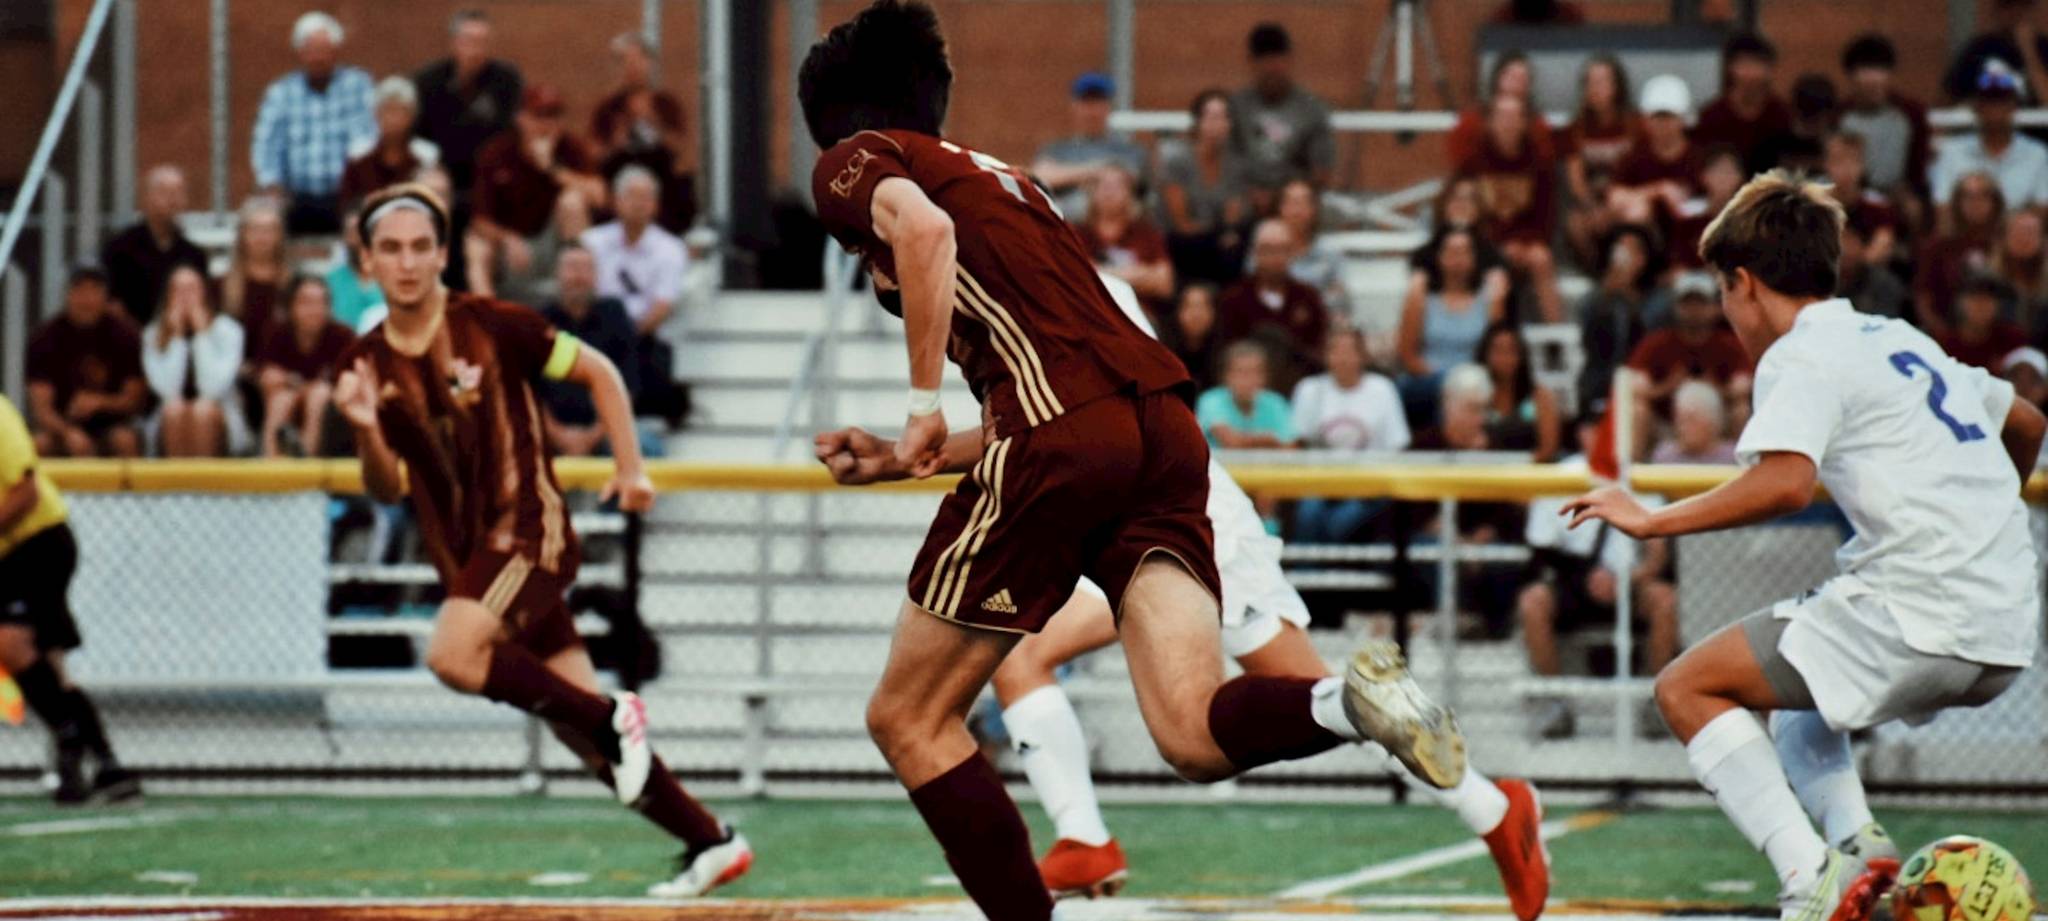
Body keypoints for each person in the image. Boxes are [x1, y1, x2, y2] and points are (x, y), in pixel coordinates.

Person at [799, 7, 1469, 920]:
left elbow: (922, 237)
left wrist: (920, 405)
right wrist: (897, 459)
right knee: (1192, 731)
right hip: (1158, 432)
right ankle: (1347, 704)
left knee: (908, 716)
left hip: (1063, 436)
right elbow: (1071, 392)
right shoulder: (1016, 184)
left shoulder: (858, 157)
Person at [1562, 169, 2045, 921]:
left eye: (1723, 291)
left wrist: (1652, 521)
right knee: (1797, 696)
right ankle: (1861, 849)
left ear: (1745, 283)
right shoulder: (1897, 336)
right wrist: (1977, 521)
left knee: (1685, 687)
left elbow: (1785, 484)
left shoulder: (1799, 353)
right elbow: (2028, 423)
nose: (1727, 312)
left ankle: (1811, 879)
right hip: (2007, 625)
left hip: (1921, 608)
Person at [991, 272, 1549, 914]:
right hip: (1161, 511)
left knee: (1041, 663)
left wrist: (931, 438)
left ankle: (1085, 837)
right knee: (1329, 703)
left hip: (1163, 516)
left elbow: (1066, 426)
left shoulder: (1047, 283)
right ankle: (1492, 809)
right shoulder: (1050, 280)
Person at [332, 184, 748, 896]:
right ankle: (711, 840)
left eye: (420, 247)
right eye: (391, 249)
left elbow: (601, 372)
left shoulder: (494, 325)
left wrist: (631, 468)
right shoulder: (366, 366)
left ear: (442, 255)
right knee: (583, 739)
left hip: (528, 531)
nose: (406, 262)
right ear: (366, 261)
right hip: (471, 561)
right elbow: (381, 488)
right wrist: (366, 431)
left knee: (452, 655)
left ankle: (611, 714)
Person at [0, 394, 140, 805]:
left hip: (36, 543)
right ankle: (104, 764)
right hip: (12, 552)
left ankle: (72, 739)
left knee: (11, 642)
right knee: (51, 663)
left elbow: (25, 493)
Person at [1519, 409, 1678, 741]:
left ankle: (1657, 703)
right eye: (1596, 429)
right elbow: (1541, 554)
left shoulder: (1640, 479)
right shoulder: (1561, 477)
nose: (1605, 437)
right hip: (1574, 583)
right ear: (1582, 433)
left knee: (1665, 600)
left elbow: (1659, 556)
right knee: (1532, 602)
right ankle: (1555, 702)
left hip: (1630, 583)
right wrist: (1585, 579)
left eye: (1612, 429)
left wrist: (1629, 578)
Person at [466, 84, 606, 299]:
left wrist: (552, 169)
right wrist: (507, 238)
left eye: (554, 116)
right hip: (512, 250)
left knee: (572, 202)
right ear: (521, 119)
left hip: (555, 247)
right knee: (476, 245)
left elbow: (599, 196)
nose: (547, 124)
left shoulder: (570, 147)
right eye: (539, 116)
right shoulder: (497, 153)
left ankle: (578, 293)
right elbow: (479, 220)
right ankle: (486, 310)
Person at [250, 11, 375, 234]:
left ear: (336, 51)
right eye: (311, 51)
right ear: (300, 53)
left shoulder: (359, 87)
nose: (318, 58)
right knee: (266, 220)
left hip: (346, 196)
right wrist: (271, 185)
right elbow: (265, 146)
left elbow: (368, 140)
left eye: (324, 50)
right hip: (295, 198)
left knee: (366, 217)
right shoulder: (281, 93)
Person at [1292, 326, 1410, 542]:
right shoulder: (1309, 390)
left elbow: (1397, 446)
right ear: (1325, 355)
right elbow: (1298, 443)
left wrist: (1374, 485)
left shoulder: (1382, 389)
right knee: (1308, 516)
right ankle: (1303, 565)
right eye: (1335, 350)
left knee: (1340, 524)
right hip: (1319, 484)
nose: (1342, 358)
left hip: (1368, 487)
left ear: (1363, 356)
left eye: (1349, 351)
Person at [1457, 93, 1561, 321]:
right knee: (1494, 266)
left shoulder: (1540, 163)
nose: (1508, 123)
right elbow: (1465, 213)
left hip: (1527, 243)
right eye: (1502, 116)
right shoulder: (1473, 162)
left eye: (1514, 117)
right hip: (1486, 243)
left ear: (1524, 123)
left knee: (1542, 258)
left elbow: (1546, 217)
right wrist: (1499, 244)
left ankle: (1556, 334)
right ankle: (1492, 332)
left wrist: (1522, 243)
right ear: (1490, 122)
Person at [25, 268, 146, 458]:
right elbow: (42, 410)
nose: (87, 299)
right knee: (39, 444)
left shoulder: (126, 335)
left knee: (125, 440)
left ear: (105, 296)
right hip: (61, 426)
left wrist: (99, 402)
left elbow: (134, 400)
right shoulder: (44, 339)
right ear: (67, 295)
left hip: (113, 426)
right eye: (79, 290)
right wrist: (69, 433)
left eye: (94, 290)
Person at [540, 245, 641, 457]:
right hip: (549, 432)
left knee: (647, 446)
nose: (579, 276)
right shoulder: (539, 321)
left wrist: (592, 437)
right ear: (556, 274)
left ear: (597, 275)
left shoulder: (615, 315)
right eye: (572, 267)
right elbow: (528, 392)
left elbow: (628, 386)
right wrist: (559, 435)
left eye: (586, 268)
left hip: (607, 429)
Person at [591, 32, 697, 233]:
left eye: (638, 60)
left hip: (661, 180)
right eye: (624, 61)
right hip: (620, 179)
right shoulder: (608, 108)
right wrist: (616, 142)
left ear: (649, 64)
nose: (632, 68)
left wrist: (653, 123)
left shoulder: (665, 104)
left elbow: (683, 152)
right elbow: (594, 155)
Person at [412, 9, 523, 196]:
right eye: (469, 41)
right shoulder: (428, 81)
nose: (475, 50)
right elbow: (418, 135)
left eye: (482, 42)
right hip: (441, 168)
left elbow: (510, 130)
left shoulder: (506, 80)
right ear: (454, 43)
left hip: (490, 170)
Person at [142, 265, 247, 457]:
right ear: (168, 295)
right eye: (178, 289)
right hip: (170, 419)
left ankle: (205, 476)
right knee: (174, 409)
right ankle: (176, 476)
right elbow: (168, 391)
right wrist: (177, 336)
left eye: (191, 289)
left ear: (204, 293)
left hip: (220, 417)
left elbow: (211, 389)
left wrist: (201, 335)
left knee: (202, 410)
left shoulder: (230, 330)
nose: (185, 297)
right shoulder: (152, 333)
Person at [1626, 272, 1754, 429]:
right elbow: (1636, 387)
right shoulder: (1656, 343)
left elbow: (1742, 389)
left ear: (1715, 308)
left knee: (1741, 409)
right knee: (1639, 409)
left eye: (1701, 303)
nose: (1694, 311)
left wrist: (1715, 387)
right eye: (1687, 304)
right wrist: (1667, 386)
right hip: (1668, 423)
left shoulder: (1730, 344)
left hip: (1716, 422)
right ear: (1675, 307)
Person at [1231, 22, 1335, 208]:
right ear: (1251, 63)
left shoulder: (1311, 108)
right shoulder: (1236, 107)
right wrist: (1248, 193)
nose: (1271, 68)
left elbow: (1322, 171)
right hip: (1243, 201)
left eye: (1277, 59)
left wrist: (1280, 197)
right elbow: (1223, 163)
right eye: (1264, 60)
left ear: (1289, 60)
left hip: (1294, 204)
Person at [1217, 219, 1328, 394]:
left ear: (1292, 253)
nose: (1275, 257)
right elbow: (1226, 354)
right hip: (1247, 393)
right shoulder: (1233, 299)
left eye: (1282, 250)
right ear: (1255, 253)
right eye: (1267, 250)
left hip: (1301, 391)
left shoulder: (1308, 297)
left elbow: (1320, 349)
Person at [1399, 226, 1507, 403]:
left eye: (1465, 252)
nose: (1458, 260)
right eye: (1452, 252)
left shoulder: (1489, 297)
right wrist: (1446, 381)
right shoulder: (1421, 297)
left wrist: (1467, 382)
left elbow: (1497, 348)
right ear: (1439, 256)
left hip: (1476, 381)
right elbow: (1407, 354)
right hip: (1431, 381)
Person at [1156, 89, 1252, 287]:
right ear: (1198, 121)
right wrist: (1218, 233)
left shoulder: (1235, 164)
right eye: (1212, 117)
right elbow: (1181, 222)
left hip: (1218, 242)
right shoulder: (1178, 160)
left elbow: (1232, 217)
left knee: (1238, 245)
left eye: (1224, 118)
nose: (1218, 125)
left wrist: (1227, 230)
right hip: (1181, 242)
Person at [580, 165, 688, 337]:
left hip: (646, 338)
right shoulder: (591, 242)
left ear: (656, 205)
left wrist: (627, 339)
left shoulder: (671, 248)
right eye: (631, 196)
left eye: (645, 198)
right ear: (616, 201)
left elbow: (663, 305)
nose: (638, 204)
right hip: (595, 333)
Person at [1930, 63, 2048, 214]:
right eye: (1989, 101)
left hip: (2018, 228)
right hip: (1965, 228)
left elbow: (2043, 208)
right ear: (1976, 107)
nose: (1995, 109)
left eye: (2002, 101)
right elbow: (1942, 206)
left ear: (2014, 106)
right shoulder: (1952, 151)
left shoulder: (2037, 154)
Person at [1032, 72, 1150, 223]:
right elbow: (1040, 177)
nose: (1092, 111)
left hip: (1115, 230)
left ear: (1109, 107)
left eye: (1098, 102)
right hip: (1066, 227)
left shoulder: (1130, 151)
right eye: (1086, 103)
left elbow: (1139, 185)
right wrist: (1096, 171)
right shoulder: (1056, 149)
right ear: (1074, 106)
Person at [258, 275, 354, 458]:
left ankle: (308, 462)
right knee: (281, 400)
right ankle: (271, 463)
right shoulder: (276, 333)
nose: (315, 310)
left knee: (319, 395)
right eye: (307, 302)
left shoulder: (343, 336)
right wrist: (301, 388)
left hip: (329, 414)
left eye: (321, 302)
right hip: (285, 400)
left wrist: (294, 382)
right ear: (290, 306)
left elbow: (346, 384)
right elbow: (268, 378)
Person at [1577, 223, 1670, 408]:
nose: (1626, 257)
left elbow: (1650, 332)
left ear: (1645, 257)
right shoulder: (1597, 296)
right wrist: (1608, 292)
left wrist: (1628, 293)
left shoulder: (1660, 297)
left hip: (1644, 379)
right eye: (1621, 248)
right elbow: (1587, 332)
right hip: (1600, 380)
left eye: (1634, 250)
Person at [99, 165, 207, 325]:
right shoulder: (119, 249)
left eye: (178, 192)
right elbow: (109, 304)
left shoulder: (194, 256)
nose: (173, 200)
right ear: (145, 198)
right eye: (164, 192)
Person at [1562, 54, 1640, 269]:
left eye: (1601, 81)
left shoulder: (1634, 125)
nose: (1594, 88)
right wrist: (1593, 208)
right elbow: (1576, 182)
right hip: (1592, 204)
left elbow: (1641, 173)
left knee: (1632, 215)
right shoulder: (1576, 129)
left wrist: (1613, 208)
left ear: (1617, 86)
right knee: (1575, 224)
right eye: (1589, 82)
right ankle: (1597, 274)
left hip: (1626, 199)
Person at [1838, 34, 1933, 206]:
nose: (1873, 79)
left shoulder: (1911, 113)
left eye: (1880, 69)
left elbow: (1919, 167)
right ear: (1851, 77)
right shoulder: (1839, 114)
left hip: (1897, 197)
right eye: (1865, 70)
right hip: (1851, 196)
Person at [1077, 165, 1174, 317]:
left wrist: (1099, 272)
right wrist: (1139, 273)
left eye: (1117, 186)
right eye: (1104, 185)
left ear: (1130, 194)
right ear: (1091, 192)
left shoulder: (1147, 233)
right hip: (1091, 315)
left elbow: (1165, 284)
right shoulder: (1077, 234)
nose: (1109, 192)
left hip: (1139, 316)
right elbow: (1076, 279)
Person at [1915, 172, 2004, 334]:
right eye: (1968, 197)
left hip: (2000, 337)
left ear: (1995, 203)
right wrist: (1942, 334)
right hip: (1946, 334)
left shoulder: (2007, 242)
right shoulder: (1938, 246)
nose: (1975, 203)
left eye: (1983, 196)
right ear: (1957, 202)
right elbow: (1923, 297)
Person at [1693, 32, 1793, 177]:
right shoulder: (1712, 117)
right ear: (1730, 69)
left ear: (1769, 70)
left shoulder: (1781, 115)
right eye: (1744, 65)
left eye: (1758, 65)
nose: (1751, 73)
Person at [1609, 75, 1702, 229]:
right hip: (1646, 235)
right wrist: (1659, 191)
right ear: (1646, 120)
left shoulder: (1699, 157)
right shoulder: (1635, 155)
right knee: (1636, 211)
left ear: (1683, 119)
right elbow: (1615, 198)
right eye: (1657, 117)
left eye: (1669, 117)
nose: (1663, 124)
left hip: (1693, 234)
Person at [341, 76, 440, 206]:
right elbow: (347, 204)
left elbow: (433, 200)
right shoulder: (358, 155)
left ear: (413, 116)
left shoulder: (427, 156)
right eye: (388, 110)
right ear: (376, 114)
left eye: (401, 111)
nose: (393, 119)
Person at [1447, 52, 1556, 168]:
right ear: (1498, 77)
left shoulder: (1538, 126)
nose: (1517, 81)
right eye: (1512, 76)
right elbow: (1460, 160)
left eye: (1523, 78)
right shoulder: (1472, 121)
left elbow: (1546, 160)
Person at [220, 197, 291, 370]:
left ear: (279, 235)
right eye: (255, 229)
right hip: (235, 372)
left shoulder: (293, 286)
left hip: (281, 374)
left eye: (269, 230)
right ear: (242, 235)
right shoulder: (221, 285)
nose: (262, 237)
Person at [1476, 321, 1561, 461]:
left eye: (1511, 350)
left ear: (1521, 354)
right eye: (1498, 350)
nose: (1505, 357)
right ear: (1485, 354)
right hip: (1484, 469)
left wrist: (1518, 468)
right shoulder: (1474, 396)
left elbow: (1548, 448)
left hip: (1529, 471)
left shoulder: (1539, 397)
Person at [1944, 0, 2048, 107]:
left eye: (2023, 7)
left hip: (2035, 117)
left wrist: (2028, 48)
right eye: (2009, 7)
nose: (2017, 13)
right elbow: (1948, 99)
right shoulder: (1979, 50)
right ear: (1997, 12)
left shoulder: (2044, 49)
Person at [1196, 341, 1296, 449]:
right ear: (1226, 376)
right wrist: (1268, 440)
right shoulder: (1210, 400)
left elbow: (1291, 445)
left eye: (1255, 372)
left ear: (1265, 376)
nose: (1248, 379)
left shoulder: (1275, 402)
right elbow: (1231, 442)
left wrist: (1253, 440)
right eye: (1241, 372)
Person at [1822, 134, 1901, 269]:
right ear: (1827, 164)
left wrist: (1851, 262)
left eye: (1853, 161)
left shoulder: (1879, 206)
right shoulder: (1812, 204)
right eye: (1839, 161)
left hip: (1862, 274)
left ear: (1863, 165)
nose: (1846, 169)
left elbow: (1879, 250)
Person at [1667, 145, 1747, 273]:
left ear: (1740, 176)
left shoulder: (1749, 215)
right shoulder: (1688, 214)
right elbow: (1678, 257)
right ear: (1703, 176)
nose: (1723, 178)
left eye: (1729, 171)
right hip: (1695, 277)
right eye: (1717, 171)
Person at [1274, 179, 1347, 315]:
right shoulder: (1266, 248)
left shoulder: (1330, 253)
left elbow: (1339, 299)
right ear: (1281, 208)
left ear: (1314, 209)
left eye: (1302, 203)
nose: (1296, 211)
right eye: (1291, 203)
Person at [1938, 275, 2030, 370]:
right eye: (1975, 300)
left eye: (1987, 300)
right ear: (1960, 304)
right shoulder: (1945, 345)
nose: (1981, 307)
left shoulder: (2012, 339)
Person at [1837, 216, 1910, 321]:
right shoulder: (1822, 282)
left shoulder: (1885, 284)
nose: (1844, 249)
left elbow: (1883, 323)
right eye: (1839, 240)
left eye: (1850, 241)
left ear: (1864, 246)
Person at [327, 203, 386, 331]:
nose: (357, 239)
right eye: (351, 232)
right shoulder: (330, 282)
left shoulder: (393, 276)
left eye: (362, 232)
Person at [1992, 208, 2048, 339]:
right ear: (2004, 238)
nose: (2024, 239)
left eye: (2030, 233)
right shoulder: (1986, 279)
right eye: (2017, 232)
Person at [1652, 380, 1739, 464]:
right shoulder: (1665, 457)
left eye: (1690, 420)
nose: (1682, 427)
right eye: (1680, 420)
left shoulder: (1731, 459)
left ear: (1712, 422)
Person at [1160, 283, 1222, 392]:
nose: (1196, 314)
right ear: (1177, 312)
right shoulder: (1161, 350)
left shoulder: (1224, 354)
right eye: (1189, 306)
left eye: (1203, 307)